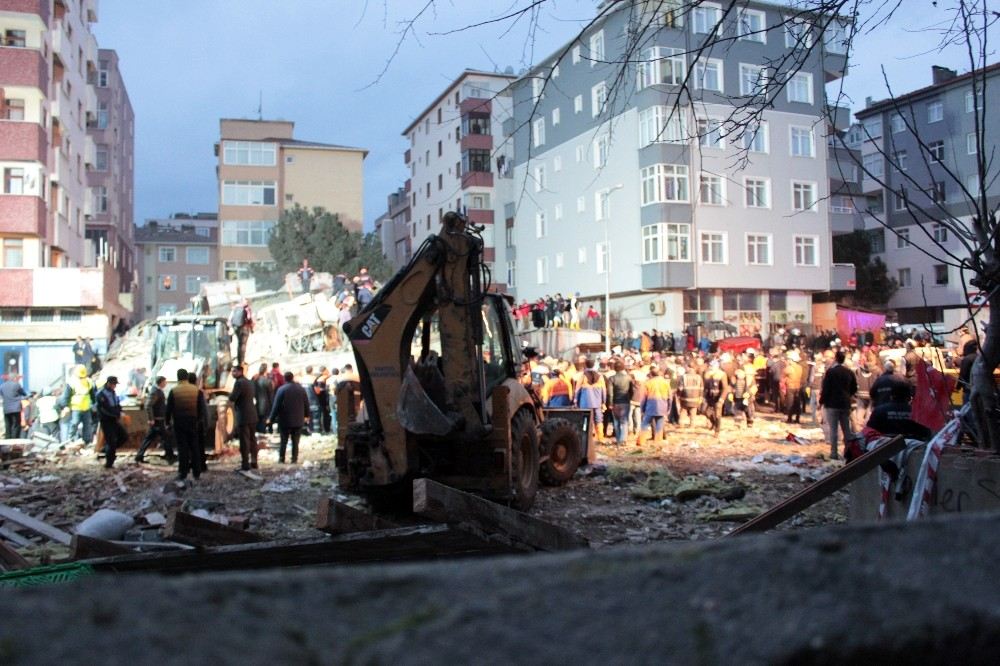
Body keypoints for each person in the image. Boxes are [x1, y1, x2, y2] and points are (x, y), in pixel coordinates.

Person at [166, 368, 206, 482]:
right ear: (187, 377)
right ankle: (196, 472)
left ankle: (183, 472)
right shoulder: (196, 390)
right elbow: (200, 409)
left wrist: (168, 422)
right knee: (194, 447)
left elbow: (169, 409)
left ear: (177, 377)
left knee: (182, 448)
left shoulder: (174, 391)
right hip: (193, 422)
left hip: (179, 423)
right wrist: (198, 421)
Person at [819, 350, 857, 461]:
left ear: (836, 358)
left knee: (833, 430)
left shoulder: (830, 372)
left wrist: (821, 402)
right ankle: (848, 452)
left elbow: (826, 389)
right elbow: (854, 388)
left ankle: (834, 452)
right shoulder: (849, 372)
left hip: (831, 404)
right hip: (845, 404)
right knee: (846, 429)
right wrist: (848, 395)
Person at [268, 371, 310, 463]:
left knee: (284, 440)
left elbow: (276, 405)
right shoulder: (301, 389)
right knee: (295, 441)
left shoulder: (281, 389)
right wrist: (307, 415)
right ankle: (294, 459)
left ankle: (281, 458)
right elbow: (306, 403)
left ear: (284, 379)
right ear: (293, 377)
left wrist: (271, 418)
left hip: (285, 419)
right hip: (298, 419)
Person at [135, 376, 176, 464]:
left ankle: (169, 455)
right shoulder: (155, 392)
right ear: (161, 382)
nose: (166, 384)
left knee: (160, 437)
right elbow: (148, 405)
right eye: (165, 382)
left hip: (158, 419)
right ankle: (169, 455)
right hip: (157, 420)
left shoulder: (157, 391)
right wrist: (151, 418)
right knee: (161, 437)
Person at [229, 362, 258, 471]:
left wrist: (229, 396)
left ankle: (245, 464)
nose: (232, 373)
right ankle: (254, 461)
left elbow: (233, 398)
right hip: (252, 414)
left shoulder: (239, 383)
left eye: (234, 371)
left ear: (240, 371)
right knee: (252, 439)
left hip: (243, 415)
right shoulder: (250, 382)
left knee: (244, 441)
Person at [59, 365, 96, 445]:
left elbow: (92, 395)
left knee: (87, 425)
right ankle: (70, 440)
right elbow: (66, 396)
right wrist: (65, 406)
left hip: (86, 408)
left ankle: (87, 441)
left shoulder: (89, 382)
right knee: (74, 423)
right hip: (76, 408)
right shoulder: (72, 383)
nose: (82, 378)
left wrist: (94, 404)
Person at [95, 376, 125, 469]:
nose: (114, 386)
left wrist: (120, 412)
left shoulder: (113, 393)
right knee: (110, 441)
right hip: (106, 420)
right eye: (113, 384)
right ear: (108, 383)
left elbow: (117, 404)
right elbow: (104, 409)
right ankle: (109, 462)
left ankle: (107, 450)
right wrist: (116, 415)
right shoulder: (101, 394)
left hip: (114, 420)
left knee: (123, 437)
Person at [638, 365, 671, 445]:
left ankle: (641, 441)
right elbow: (670, 397)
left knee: (645, 424)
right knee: (659, 424)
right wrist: (668, 409)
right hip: (662, 406)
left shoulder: (648, 383)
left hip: (650, 406)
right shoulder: (665, 383)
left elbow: (643, 398)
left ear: (651, 374)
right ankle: (658, 441)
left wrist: (642, 409)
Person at [575, 369, 606, 445]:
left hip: (585, 404)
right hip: (597, 404)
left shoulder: (583, 377)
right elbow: (604, 391)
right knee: (599, 420)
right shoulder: (600, 377)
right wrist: (603, 402)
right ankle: (600, 438)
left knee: (585, 421)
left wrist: (576, 401)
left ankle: (586, 437)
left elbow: (577, 390)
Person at [607, 359, 633, 445]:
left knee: (616, 421)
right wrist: (629, 398)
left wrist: (610, 403)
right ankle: (623, 440)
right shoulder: (629, 378)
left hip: (615, 402)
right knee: (624, 421)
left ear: (615, 368)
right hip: (625, 401)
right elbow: (631, 391)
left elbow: (610, 393)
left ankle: (618, 439)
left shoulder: (611, 379)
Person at [703, 361, 729, 437]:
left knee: (718, 414)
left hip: (718, 397)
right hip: (709, 397)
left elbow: (725, 388)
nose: (711, 367)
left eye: (712, 366)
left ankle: (717, 430)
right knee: (706, 411)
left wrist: (721, 399)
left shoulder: (722, 374)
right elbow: (705, 387)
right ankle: (713, 423)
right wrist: (704, 396)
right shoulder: (707, 374)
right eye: (710, 366)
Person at [1, 373, 27, 439]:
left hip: (6, 408)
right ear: (14, 378)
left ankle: (8, 438)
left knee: (8, 424)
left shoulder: (2, 386)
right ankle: (14, 438)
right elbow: (24, 393)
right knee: (16, 424)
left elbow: (1, 395)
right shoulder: (17, 385)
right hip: (16, 408)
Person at [229, 298, 254, 366]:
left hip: (236, 328)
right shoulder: (247, 308)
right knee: (243, 345)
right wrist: (251, 328)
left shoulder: (236, 307)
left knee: (239, 344)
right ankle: (242, 361)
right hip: (244, 327)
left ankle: (239, 361)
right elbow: (249, 318)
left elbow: (230, 319)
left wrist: (232, 328)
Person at [253, 363, 274, 434]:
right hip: (266, 404)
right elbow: (270, 395)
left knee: (258, 422)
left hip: (256, 403)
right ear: (266, 370)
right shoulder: (268, 381)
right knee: (264, 422)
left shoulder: (255, 380)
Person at [314, 366, 332, 434]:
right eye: (327, 370)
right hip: (323, 399)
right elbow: (322, 391)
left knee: (323, 414)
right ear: (324, 371)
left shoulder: (318, 378)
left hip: (320, 399)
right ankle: (326, 429)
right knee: (325, 414)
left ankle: (324, 428)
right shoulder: (323, 379)